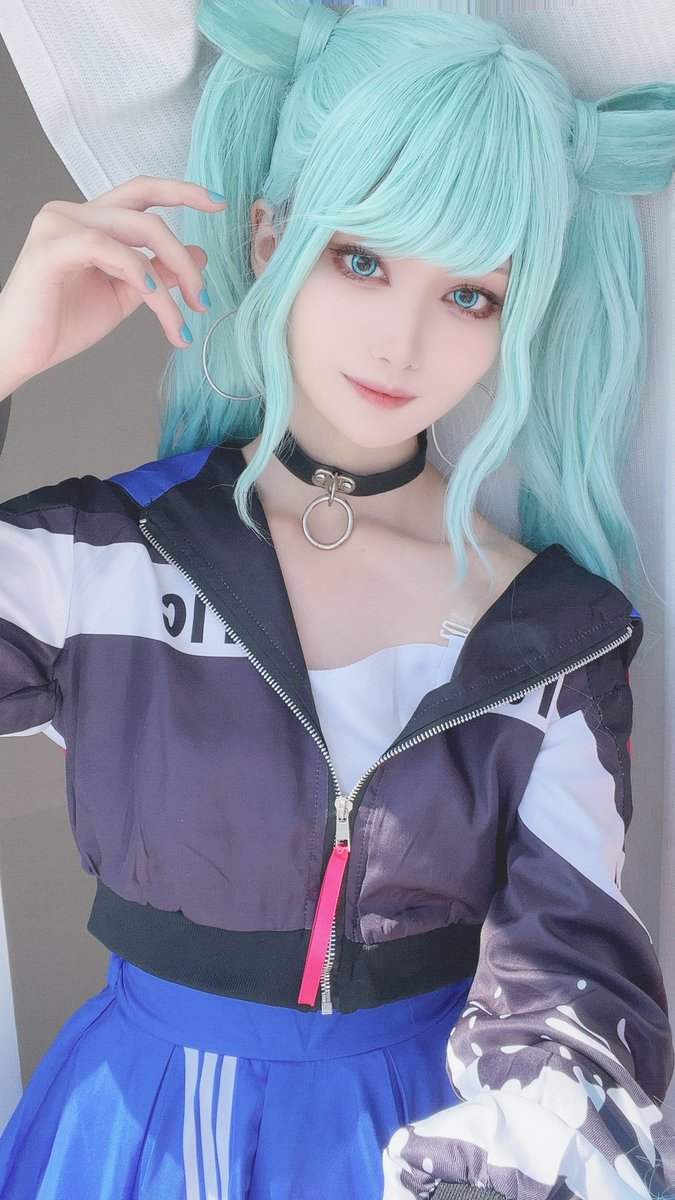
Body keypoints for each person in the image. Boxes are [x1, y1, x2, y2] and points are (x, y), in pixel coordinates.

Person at [0, 1, 674, 1196]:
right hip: (126, 1138)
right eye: (363, 258)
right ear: (270, 238)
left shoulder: (551, 641)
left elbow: (573, 982)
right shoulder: (110, 557)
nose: (403, 342)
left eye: (469, 294)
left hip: (414, 1148)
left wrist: (528, 1148)